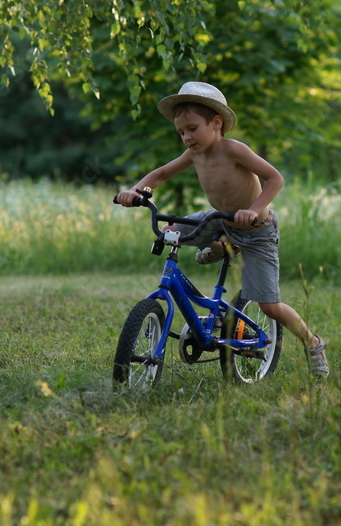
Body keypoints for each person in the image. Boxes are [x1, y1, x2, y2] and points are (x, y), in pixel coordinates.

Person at [115, 81, 329, 378]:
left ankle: (312, 342)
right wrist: (137, 190)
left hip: (257, 230)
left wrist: (254, 209)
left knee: (270, 307)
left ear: (216, 123)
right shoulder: (194, 155)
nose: (187, 138)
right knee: (171, 230)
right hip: (220, 219)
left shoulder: (233, 150)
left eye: (192, 128)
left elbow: (275, 178)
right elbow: (162, 174)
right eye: (181, 132)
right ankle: (222, 244)